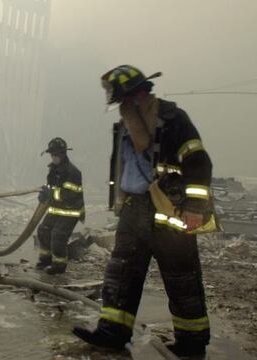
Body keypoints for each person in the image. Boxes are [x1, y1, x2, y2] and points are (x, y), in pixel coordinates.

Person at [73, 65, 215, 357]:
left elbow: (199, 162)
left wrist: (194, 208)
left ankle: (192, 343)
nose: (121, 107)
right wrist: (121, 203)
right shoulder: (125, 124)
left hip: (170, 209)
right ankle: (112, 332)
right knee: (121, 274)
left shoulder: (173, 119)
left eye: (124, 100)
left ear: (138, 95)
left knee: (181, 280)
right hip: (134, 210)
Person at [36, 137, 84, 275]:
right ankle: (45, 260)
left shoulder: (73, 172)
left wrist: (51, 194)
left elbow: (70, 194)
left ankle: (59, 266)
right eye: (52, 154)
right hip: (57, 208)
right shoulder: (53, 169)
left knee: (58, 236)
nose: (54, 157)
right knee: (43, 230)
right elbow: (51, 186)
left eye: (56, 154)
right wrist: (44, 192)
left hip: (71, 210)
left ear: (63, 153)